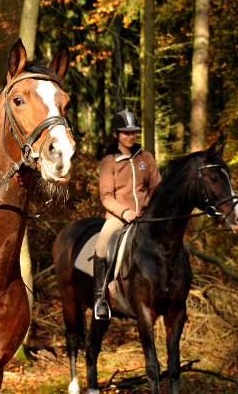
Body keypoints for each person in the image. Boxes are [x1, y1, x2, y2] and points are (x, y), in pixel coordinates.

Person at [92, 110, 161, 320]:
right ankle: (100, 300)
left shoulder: (146, 157)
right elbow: (105, 196)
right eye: (125, 133)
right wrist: (124, 212)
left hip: (146, 217)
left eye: (133, 133)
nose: (130, 137)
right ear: (116, 134)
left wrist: (147, 209)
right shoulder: (109, 161)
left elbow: (156, 188)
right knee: (102, 246)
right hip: (118, 217)